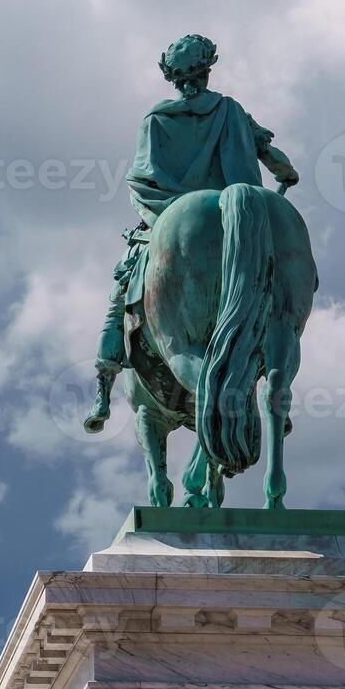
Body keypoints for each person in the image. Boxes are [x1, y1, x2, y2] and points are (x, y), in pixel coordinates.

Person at [85, 34, 300, 434]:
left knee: (119, 296)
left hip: (167, 215)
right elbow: (273, 158)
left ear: (175, 78)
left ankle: (103, 389)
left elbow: (142, 178)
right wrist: (287, 174)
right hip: (242, 208)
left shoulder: (157, 119)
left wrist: (163, 214)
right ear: (208, 69)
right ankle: (275, 386)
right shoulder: (231, 109)